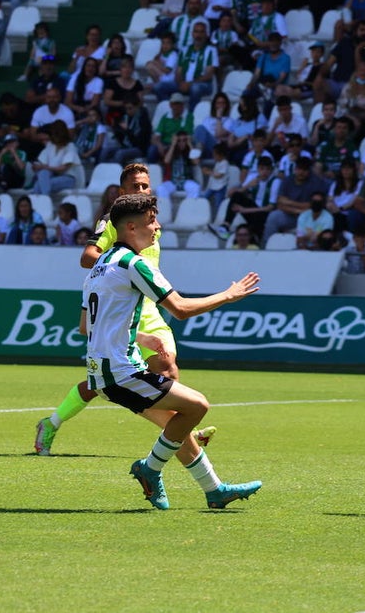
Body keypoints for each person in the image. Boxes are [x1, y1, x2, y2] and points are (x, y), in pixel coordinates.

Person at [79, 193, 261, 510]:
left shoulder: (99, 265)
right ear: (132, 227)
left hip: (101, 372)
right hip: (121, 372)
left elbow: (87, 325)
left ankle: (215, 491)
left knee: (176, 425)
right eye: (152, 221)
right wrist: (228, 295)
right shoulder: (136, 264)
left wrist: (141, 337)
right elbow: (179, 309)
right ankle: (149, 469)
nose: (157, 227)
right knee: (196, 407)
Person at [35, 163, 215, 456]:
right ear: (122, 192)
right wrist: (118, 266)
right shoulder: (113, 222)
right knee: (110, 382)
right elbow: (88, 256)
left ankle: (181, 435)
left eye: (145, 186)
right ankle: (52, 422)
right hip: (120, 305)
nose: (141, 190)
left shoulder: (151, 224)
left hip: (149, 308)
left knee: (165, 370)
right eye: (135, 186)